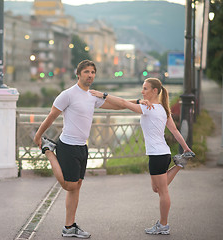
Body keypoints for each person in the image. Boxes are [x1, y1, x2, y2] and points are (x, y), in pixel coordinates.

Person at [34, 60, 133, 238]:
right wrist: (38, 135)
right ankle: (49, 151)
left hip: (82, 146)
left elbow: (120, 104)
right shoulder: (68, 94)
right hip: (68, 145)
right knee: (69, 185)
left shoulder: (93, 96)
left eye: (93, 72)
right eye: (86, 72)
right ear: (78, 74)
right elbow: (51, 116)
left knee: (77, 186)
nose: (90, 75)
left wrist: (137, 102)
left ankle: (69, 226)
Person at [90, 77, 195, 235]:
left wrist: (103, 95)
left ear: (154, 91)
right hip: (161, 153)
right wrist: (186, 148)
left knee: (163, 191)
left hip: (158, 155)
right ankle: (180, 163)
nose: (142, 91)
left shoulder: (150, 108)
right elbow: (175, 131)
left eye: (145, 88)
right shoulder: (162, 109)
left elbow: (124, 104)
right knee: (156, 188)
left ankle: (163, 225)